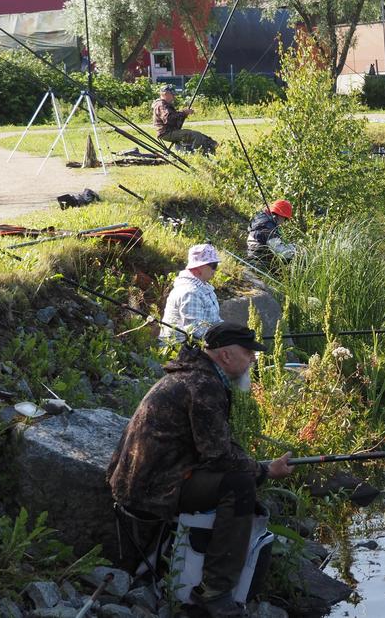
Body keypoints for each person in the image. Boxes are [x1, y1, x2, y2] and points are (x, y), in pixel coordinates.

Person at [107, 322, 293, 617]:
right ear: (226, 355)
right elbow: (218, 456)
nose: (253, 359)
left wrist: (257, 466)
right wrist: (263, 471)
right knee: (239, 484)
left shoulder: (193, 376)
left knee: (240, 476)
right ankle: (215, 591)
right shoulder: (203, 385)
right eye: (248, 352)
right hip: (153, 488)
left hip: (144, 480)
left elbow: (217, 444)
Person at [160, 243, 224, 344]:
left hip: (198, 344)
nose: (215, 269)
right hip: (179, 348)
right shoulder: (190, 292)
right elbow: (195, 330)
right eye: (213, 265)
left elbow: (215, 321)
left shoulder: (204, 288)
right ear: (199, 267)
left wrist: (229, 332)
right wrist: (225, 338)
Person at [152, 84, 218, 154]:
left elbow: (173, 118)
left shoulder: (163, 104)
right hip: (167, 133)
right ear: (165, 94)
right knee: (196, 135)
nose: (174, 97)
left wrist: (184, 113)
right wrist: (184, 113)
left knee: (202, 136)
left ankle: (215, 147)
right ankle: (196, 155)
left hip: (170, 131)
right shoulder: (161, 105)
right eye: (172, 94)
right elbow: (168, 119)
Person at [246, 199, 296, 267]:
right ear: (280, 216)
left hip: (253, 252)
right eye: (285, 219)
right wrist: (295, 250)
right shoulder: (269, 227)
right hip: (260, 258)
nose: (283, 222)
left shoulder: (261, 217)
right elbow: (278, 250)